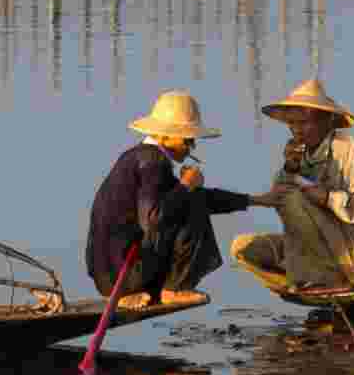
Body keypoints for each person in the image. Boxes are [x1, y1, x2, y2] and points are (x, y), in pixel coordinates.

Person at [85, 91, 256, 310]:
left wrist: (253, 200)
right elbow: (154, 217)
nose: (191, 147)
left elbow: (192, 201)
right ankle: (175, 288)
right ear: (163, 137)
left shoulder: (140, 157)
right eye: (187, 140)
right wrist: (185, 186)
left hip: (109, 279)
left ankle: (139, 289)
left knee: (190, 199)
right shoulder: (153, 161)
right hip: (124, 276)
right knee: (190, 203)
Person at [230, 79, 354, 294]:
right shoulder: (301, 152)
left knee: (294, 197)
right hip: (315, 252)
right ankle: (304, 281)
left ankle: (337, 280)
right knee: (243, 248)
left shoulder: (348, 148)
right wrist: (290, 168)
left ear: (328, 120)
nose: (296, 130)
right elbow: (279, 198)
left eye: (304, 122)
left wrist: (328, 198)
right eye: (292, 123)